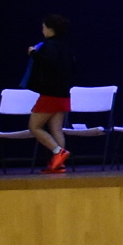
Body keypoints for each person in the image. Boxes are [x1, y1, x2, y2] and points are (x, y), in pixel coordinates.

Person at [24, 14, 75, 173]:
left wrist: (33, 53)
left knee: (34, 127)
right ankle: (58, 164)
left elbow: (48, 63)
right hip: (63, 93)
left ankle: (58, 152)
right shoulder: (66, 47)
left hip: (50, 93)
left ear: (50, 29)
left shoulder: (50, 46)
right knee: (56, 129)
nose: (43, 30)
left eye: (44, 27)